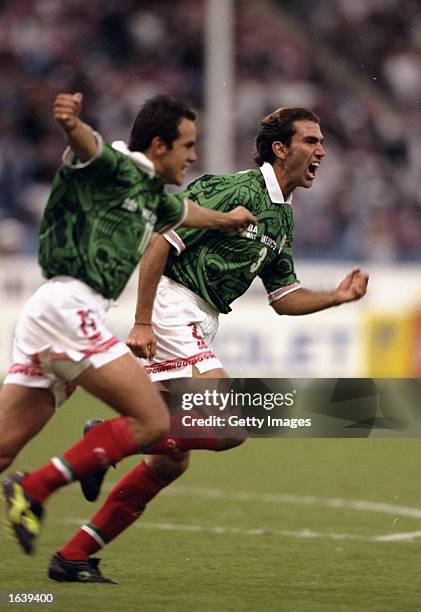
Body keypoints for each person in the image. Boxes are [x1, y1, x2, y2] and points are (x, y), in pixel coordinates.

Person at [49, 107, 369, 583]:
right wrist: (142, 322)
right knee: (231, 425)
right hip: (173, 304)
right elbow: (160, 242)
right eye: (311, 141)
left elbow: (283, 298)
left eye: (321, 142)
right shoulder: (235, 190)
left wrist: (336, 298)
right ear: (281, 149)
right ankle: (106, 441)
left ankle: (73, 555)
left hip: (202, 317)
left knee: (169, 460)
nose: (321, 150)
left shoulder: (282, 217)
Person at [0, 91, 257, 568]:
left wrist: (229, 220)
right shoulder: (115, 164)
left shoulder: (154, 197)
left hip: (49, 314)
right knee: (153, 422)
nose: (194, 156)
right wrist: (71, 123)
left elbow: (187, 214)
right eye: (187, 146)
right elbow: (88, 147)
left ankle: (31, 485)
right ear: (159, 145)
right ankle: (34, 489)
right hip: (67, 309)